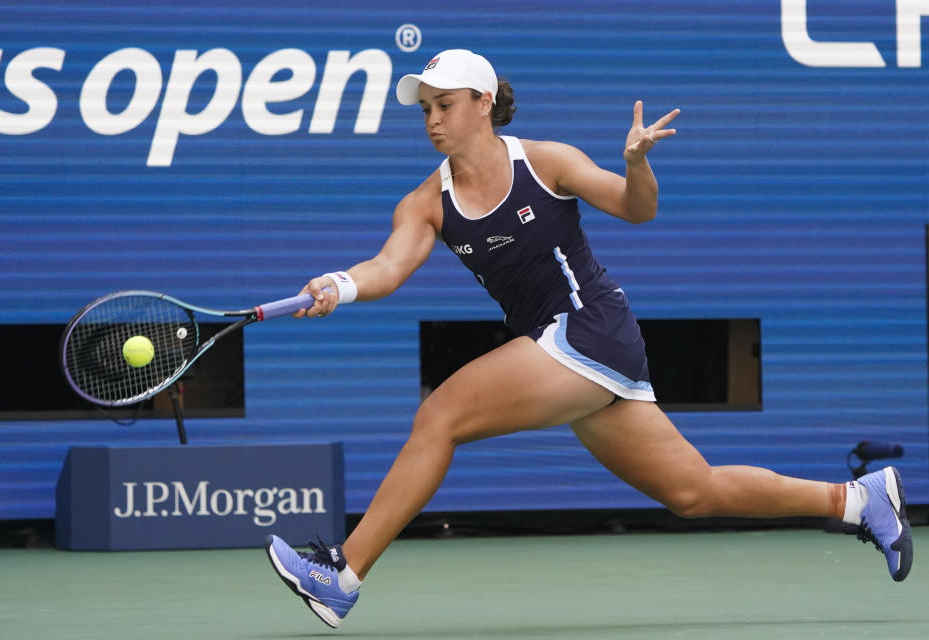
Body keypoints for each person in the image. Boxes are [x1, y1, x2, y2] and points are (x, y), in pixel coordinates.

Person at [263, 49, 913, 628]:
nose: (432, 120)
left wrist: (636, 165)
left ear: (483, 103)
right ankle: (860, 500)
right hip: (566, 351)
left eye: (446, 104)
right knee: (694, 492)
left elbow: (637, 207)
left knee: (441, 415)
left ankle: (342, 575)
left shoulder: (545, 163)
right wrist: (340, 285)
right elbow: (390, 266)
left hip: (589, 327)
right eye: (426, 109)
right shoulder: (425, 202)